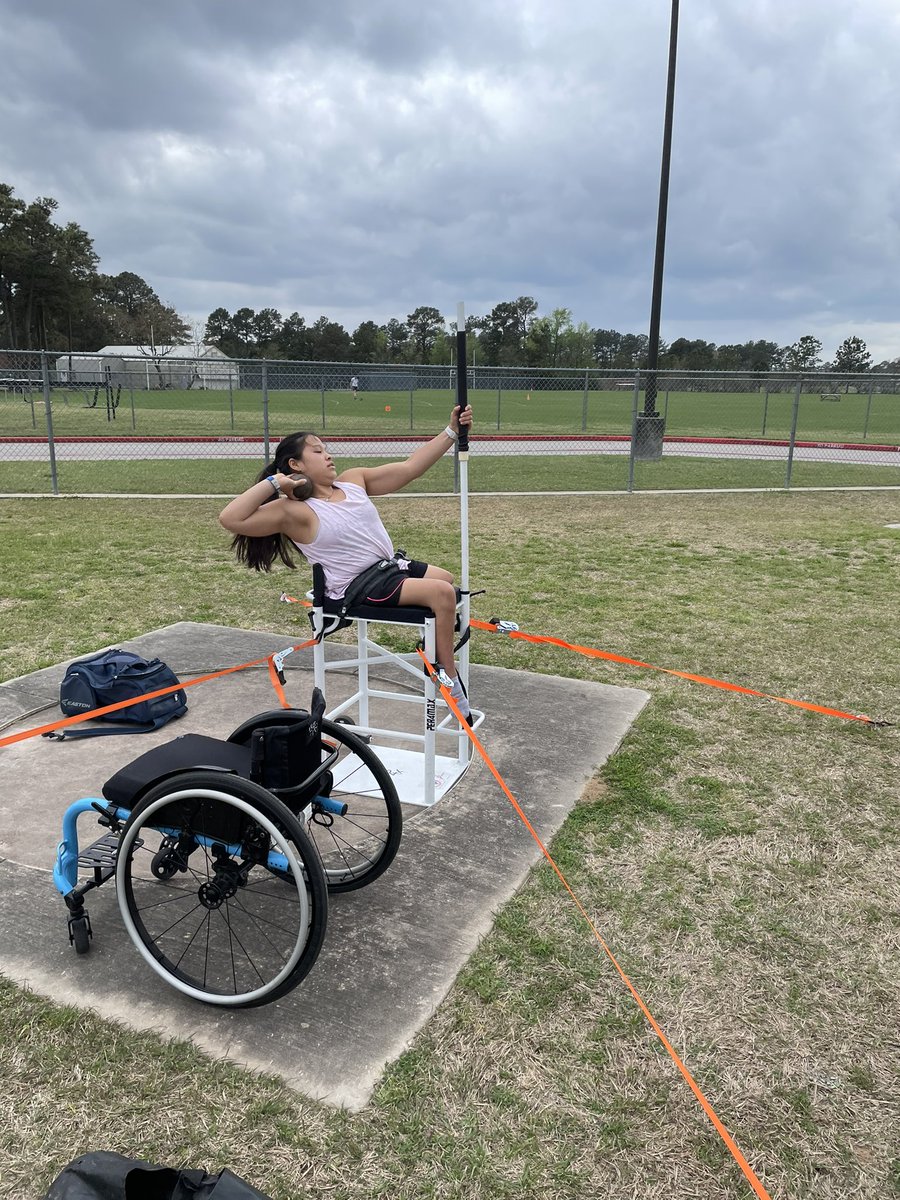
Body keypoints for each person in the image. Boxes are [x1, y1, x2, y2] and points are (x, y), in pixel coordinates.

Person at [219, 405, 474, 718]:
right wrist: (275, 483)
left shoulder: (353, 481)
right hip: (357, 586)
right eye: (317, 451)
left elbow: (410, 468)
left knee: (446, 579)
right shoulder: (294, 511)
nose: (328, 456)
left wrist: (451, 431)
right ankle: (446, 677)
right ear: (295, 464)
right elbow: (230, 518)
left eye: (326, 449)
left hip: (388, 569)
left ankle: (431, 643)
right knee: (442, 594)